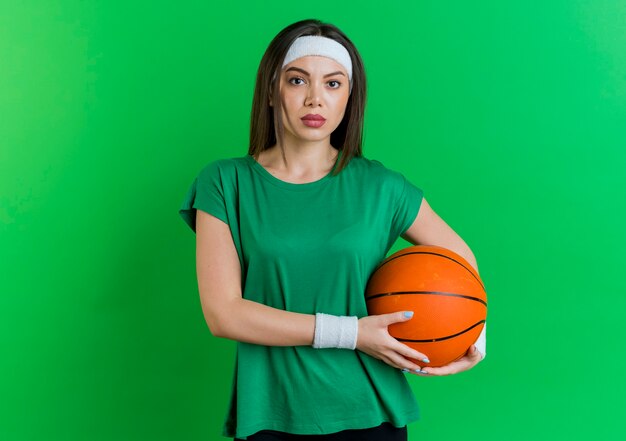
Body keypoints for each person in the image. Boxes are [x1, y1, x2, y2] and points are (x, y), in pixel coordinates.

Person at [179, 18, 486, 441]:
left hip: (370, 415)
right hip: (272, 415)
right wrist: (352, 334)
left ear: (349, 99)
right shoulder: (224, 183)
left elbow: (462, 263)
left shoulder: (381, 187)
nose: (314, 99)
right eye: (297, 80)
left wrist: (471, 337)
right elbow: (223, 313)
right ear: (271, 90)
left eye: (333, 84)